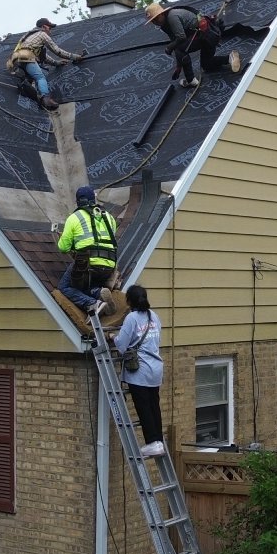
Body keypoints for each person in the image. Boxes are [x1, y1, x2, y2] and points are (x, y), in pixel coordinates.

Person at [109, 284, 165, 458]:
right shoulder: (153, 316)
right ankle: (159, 441)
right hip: (155, 369)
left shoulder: (132, 318)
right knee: (154, 406)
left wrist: (112, 337)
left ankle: (152, 443)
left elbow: (122, 346)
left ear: (129, 301)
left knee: (143, 408)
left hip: (139, 371)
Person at [144, 2, 242, 87]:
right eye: (153, 21)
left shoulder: (172, 17)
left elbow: (181, 38)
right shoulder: (164, 25)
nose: (155, 22)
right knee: (207, 65)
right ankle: (230, 58)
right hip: (204, 37)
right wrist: (178, 67)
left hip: (207, 36)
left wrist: (169, 47)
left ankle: (191, 80)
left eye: (156, 19)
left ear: (161, 14)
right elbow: (176, 43)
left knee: (179, 48)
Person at [57, 185, 119, 317]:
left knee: (65, 286)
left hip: (88, 264)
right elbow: (106, 239)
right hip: (109, 264)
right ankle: (98, 292)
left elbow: (63, 248)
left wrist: (66, 238)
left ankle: (93, 303)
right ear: (94, 200)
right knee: (86, 284)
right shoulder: (109, 217)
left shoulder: (74, 218)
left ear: (78, 201)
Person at [5, 17, 84, 110]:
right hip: (26, 56)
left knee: (30, 81)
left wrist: (56, 63)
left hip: (14, 61)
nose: (50, 31)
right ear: (44, 26)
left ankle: (29, 93)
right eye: (49, 28)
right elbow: (57, 50)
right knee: (40, 77)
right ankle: (46, 99)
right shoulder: (42, 34)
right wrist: (74, 57)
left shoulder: (29, 37)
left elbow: (44, 57)